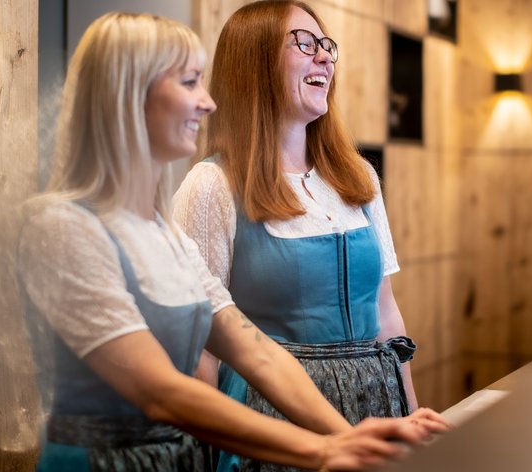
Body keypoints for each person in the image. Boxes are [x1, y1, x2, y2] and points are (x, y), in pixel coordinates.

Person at [17, 11, 447, 471]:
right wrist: (322, 449)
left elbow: (255, 351)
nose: (207, 102)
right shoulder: (60, 227)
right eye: (188, 83)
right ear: (128, 95)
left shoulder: (159, 231)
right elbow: (161, 391)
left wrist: (350, 436)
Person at [173, 2, 444, 469]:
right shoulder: (211, 185)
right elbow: (198, 344)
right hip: (272, 424)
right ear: (253, 62)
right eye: (303, 42)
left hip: (377, 407)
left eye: (326, 45)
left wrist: (411, 411)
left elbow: (386, 311)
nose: (324, 57)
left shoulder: (358, 177)